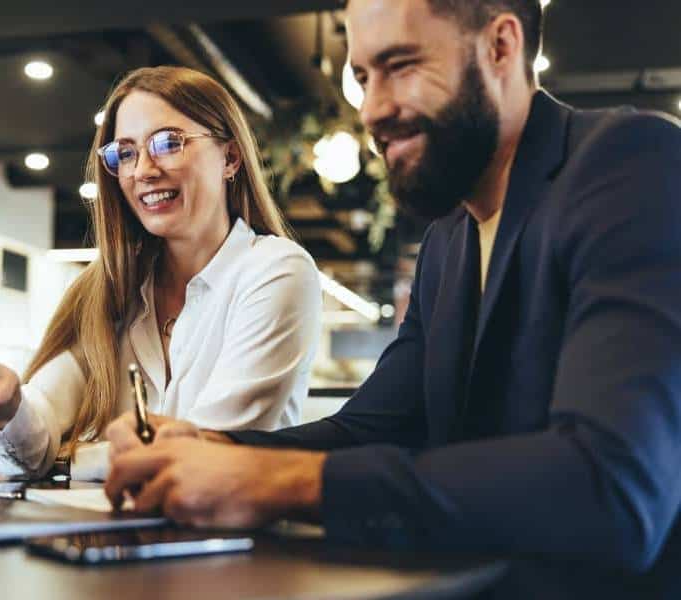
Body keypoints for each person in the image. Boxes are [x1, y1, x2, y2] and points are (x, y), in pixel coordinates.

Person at [103, 1, 681, 597]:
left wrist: (284, 482)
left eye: (400, 65)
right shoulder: (449, 238)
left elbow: (612, 487)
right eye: (361, 78)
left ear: (501, 47)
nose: (373, 109)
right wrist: (214, 447)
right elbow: (375, 427)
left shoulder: (631, 162)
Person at [0, 66, 322, 481]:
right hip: (117, 540)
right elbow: (37, 431)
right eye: (125, 152)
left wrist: (67, 461)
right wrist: (8, 404)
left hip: (235, 541)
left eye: (168, 143)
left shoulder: (276, 271)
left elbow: (204, 452)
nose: (142, 169)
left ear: (230, 158)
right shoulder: (114, 290)